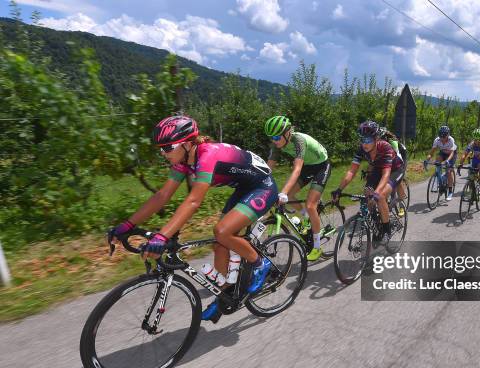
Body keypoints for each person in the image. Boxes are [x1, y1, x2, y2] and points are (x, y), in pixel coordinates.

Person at [107, 115, 277, 324]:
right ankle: (225, 294)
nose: (163, 153)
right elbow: (162, 196)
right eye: (161, 148)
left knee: (222, 232)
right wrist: (127, 225)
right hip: (244, 187)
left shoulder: (207, 156)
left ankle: (260, 263)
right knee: (219, 245)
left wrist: (161, 236)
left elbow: (194, 201)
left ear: (187, 144)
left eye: (168, 148)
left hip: (262, 186)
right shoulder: (183, 160)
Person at [265, 115, 331, 261]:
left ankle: (317, 247)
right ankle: (306, 218)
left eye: (276, 137)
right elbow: (268, 167)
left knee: (310, 205)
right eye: (271, 138)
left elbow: (296, 169)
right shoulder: (276, 144)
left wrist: (283, 192)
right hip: (308, 167)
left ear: (287, 133)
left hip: (321, 166)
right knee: (292, 196)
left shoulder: (298, 140)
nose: (274, 141)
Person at [332, 120, 404, 243]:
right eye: (362, 139)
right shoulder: (361, 149)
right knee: (367, 192)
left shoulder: (384, 147)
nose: (364, 144)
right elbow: (351, 171)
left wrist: (377, 194)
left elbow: (386, 174)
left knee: (379, 195)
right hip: (378, 169)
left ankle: (386, 230)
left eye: (368, 140)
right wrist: (339, 189)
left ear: (376, 139)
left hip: (395, 170)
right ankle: (377, 227)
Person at [377, 126, 410, 213]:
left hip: (400, 157)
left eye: (379, 138)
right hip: (390, 160)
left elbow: (396, 158)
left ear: (384, 137)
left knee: (397, 180)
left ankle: (402, 205)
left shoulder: (393, 142)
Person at [424, 125, 457, 201]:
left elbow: (452, 153)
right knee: (437, 162)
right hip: (443, 153)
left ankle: (450, 191)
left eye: (444, 137)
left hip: (451, 155)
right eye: (441, 137)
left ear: (448, 135)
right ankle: (438, 180)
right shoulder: (437, 140)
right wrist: (427, 159)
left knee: (448, 172)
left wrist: (447, 161)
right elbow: (431, 152)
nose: (442, 138)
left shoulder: (451, 140)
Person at [457, 128, 480, 195]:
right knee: (471, 173)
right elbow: (465, 154)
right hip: (476, 158)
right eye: (476, 140)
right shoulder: (472, 144)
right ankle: (471, 189)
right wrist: (460, 163)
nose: (478, 142)